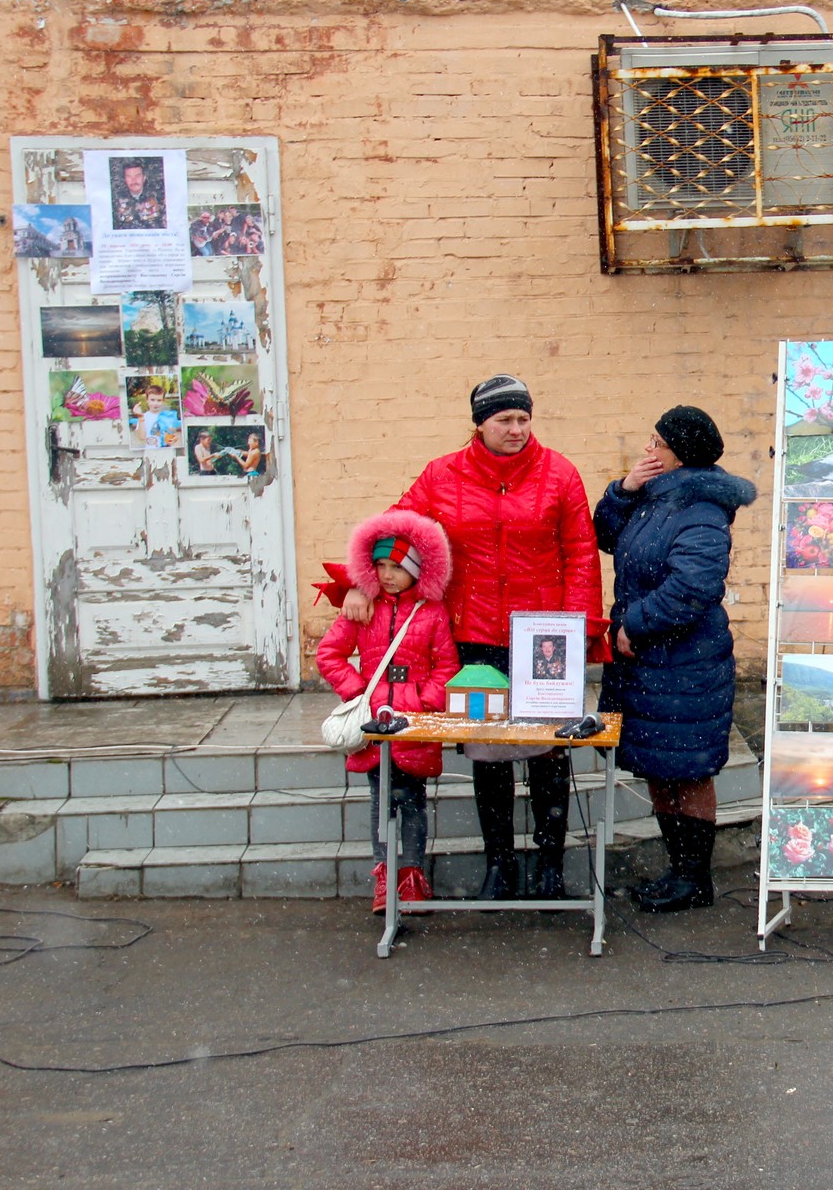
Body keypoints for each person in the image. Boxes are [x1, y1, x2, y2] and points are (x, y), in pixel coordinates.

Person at [342, 375, 605, 901]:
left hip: (543, 635)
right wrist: (360, 582)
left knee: (550, 751)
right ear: (479, 424)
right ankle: (500, 865)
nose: (516, 429)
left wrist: (577, 629)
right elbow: (395, 531)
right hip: (475, 635)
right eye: (504, 420)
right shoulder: (442, 476)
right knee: (488, 751)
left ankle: (551, 866)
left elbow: (580, 553)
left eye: (524, 419)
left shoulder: (559, 474)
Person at [594, 406, 756, 912]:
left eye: (657, 443)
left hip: (684, 663)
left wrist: (634, 623)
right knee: (659, 767)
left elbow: (694, 587)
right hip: (647, 662)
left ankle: (694, 878)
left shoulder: (702, 508)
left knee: (687, 771)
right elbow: (603, 536)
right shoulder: (656, 498)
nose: (649, 450)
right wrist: (623, 490)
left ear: (681, 453)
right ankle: (677, 872)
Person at [316, 512, 460, 913]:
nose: (387, 575)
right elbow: (330, 654)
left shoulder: (432, 612)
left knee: (412, 799)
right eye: (380, 566)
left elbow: (446, 666)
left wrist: (424, 700)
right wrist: (359, 691)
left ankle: (411, 875)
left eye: (397, 567)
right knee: (380, 800)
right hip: (375, 723)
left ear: (417, 570)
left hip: (413, 723)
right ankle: (384, 874)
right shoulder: (365, 609)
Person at [132, 383, 181, 449]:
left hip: (166, 450)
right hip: (150, 451)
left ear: (163, 401)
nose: (155, 403)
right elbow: (142, 437)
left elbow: (172, 433)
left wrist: (175, 438)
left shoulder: (167, 416)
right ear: (147, 400)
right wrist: (141, 418)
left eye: (159, 400)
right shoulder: (143, 417)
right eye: (152, 400)